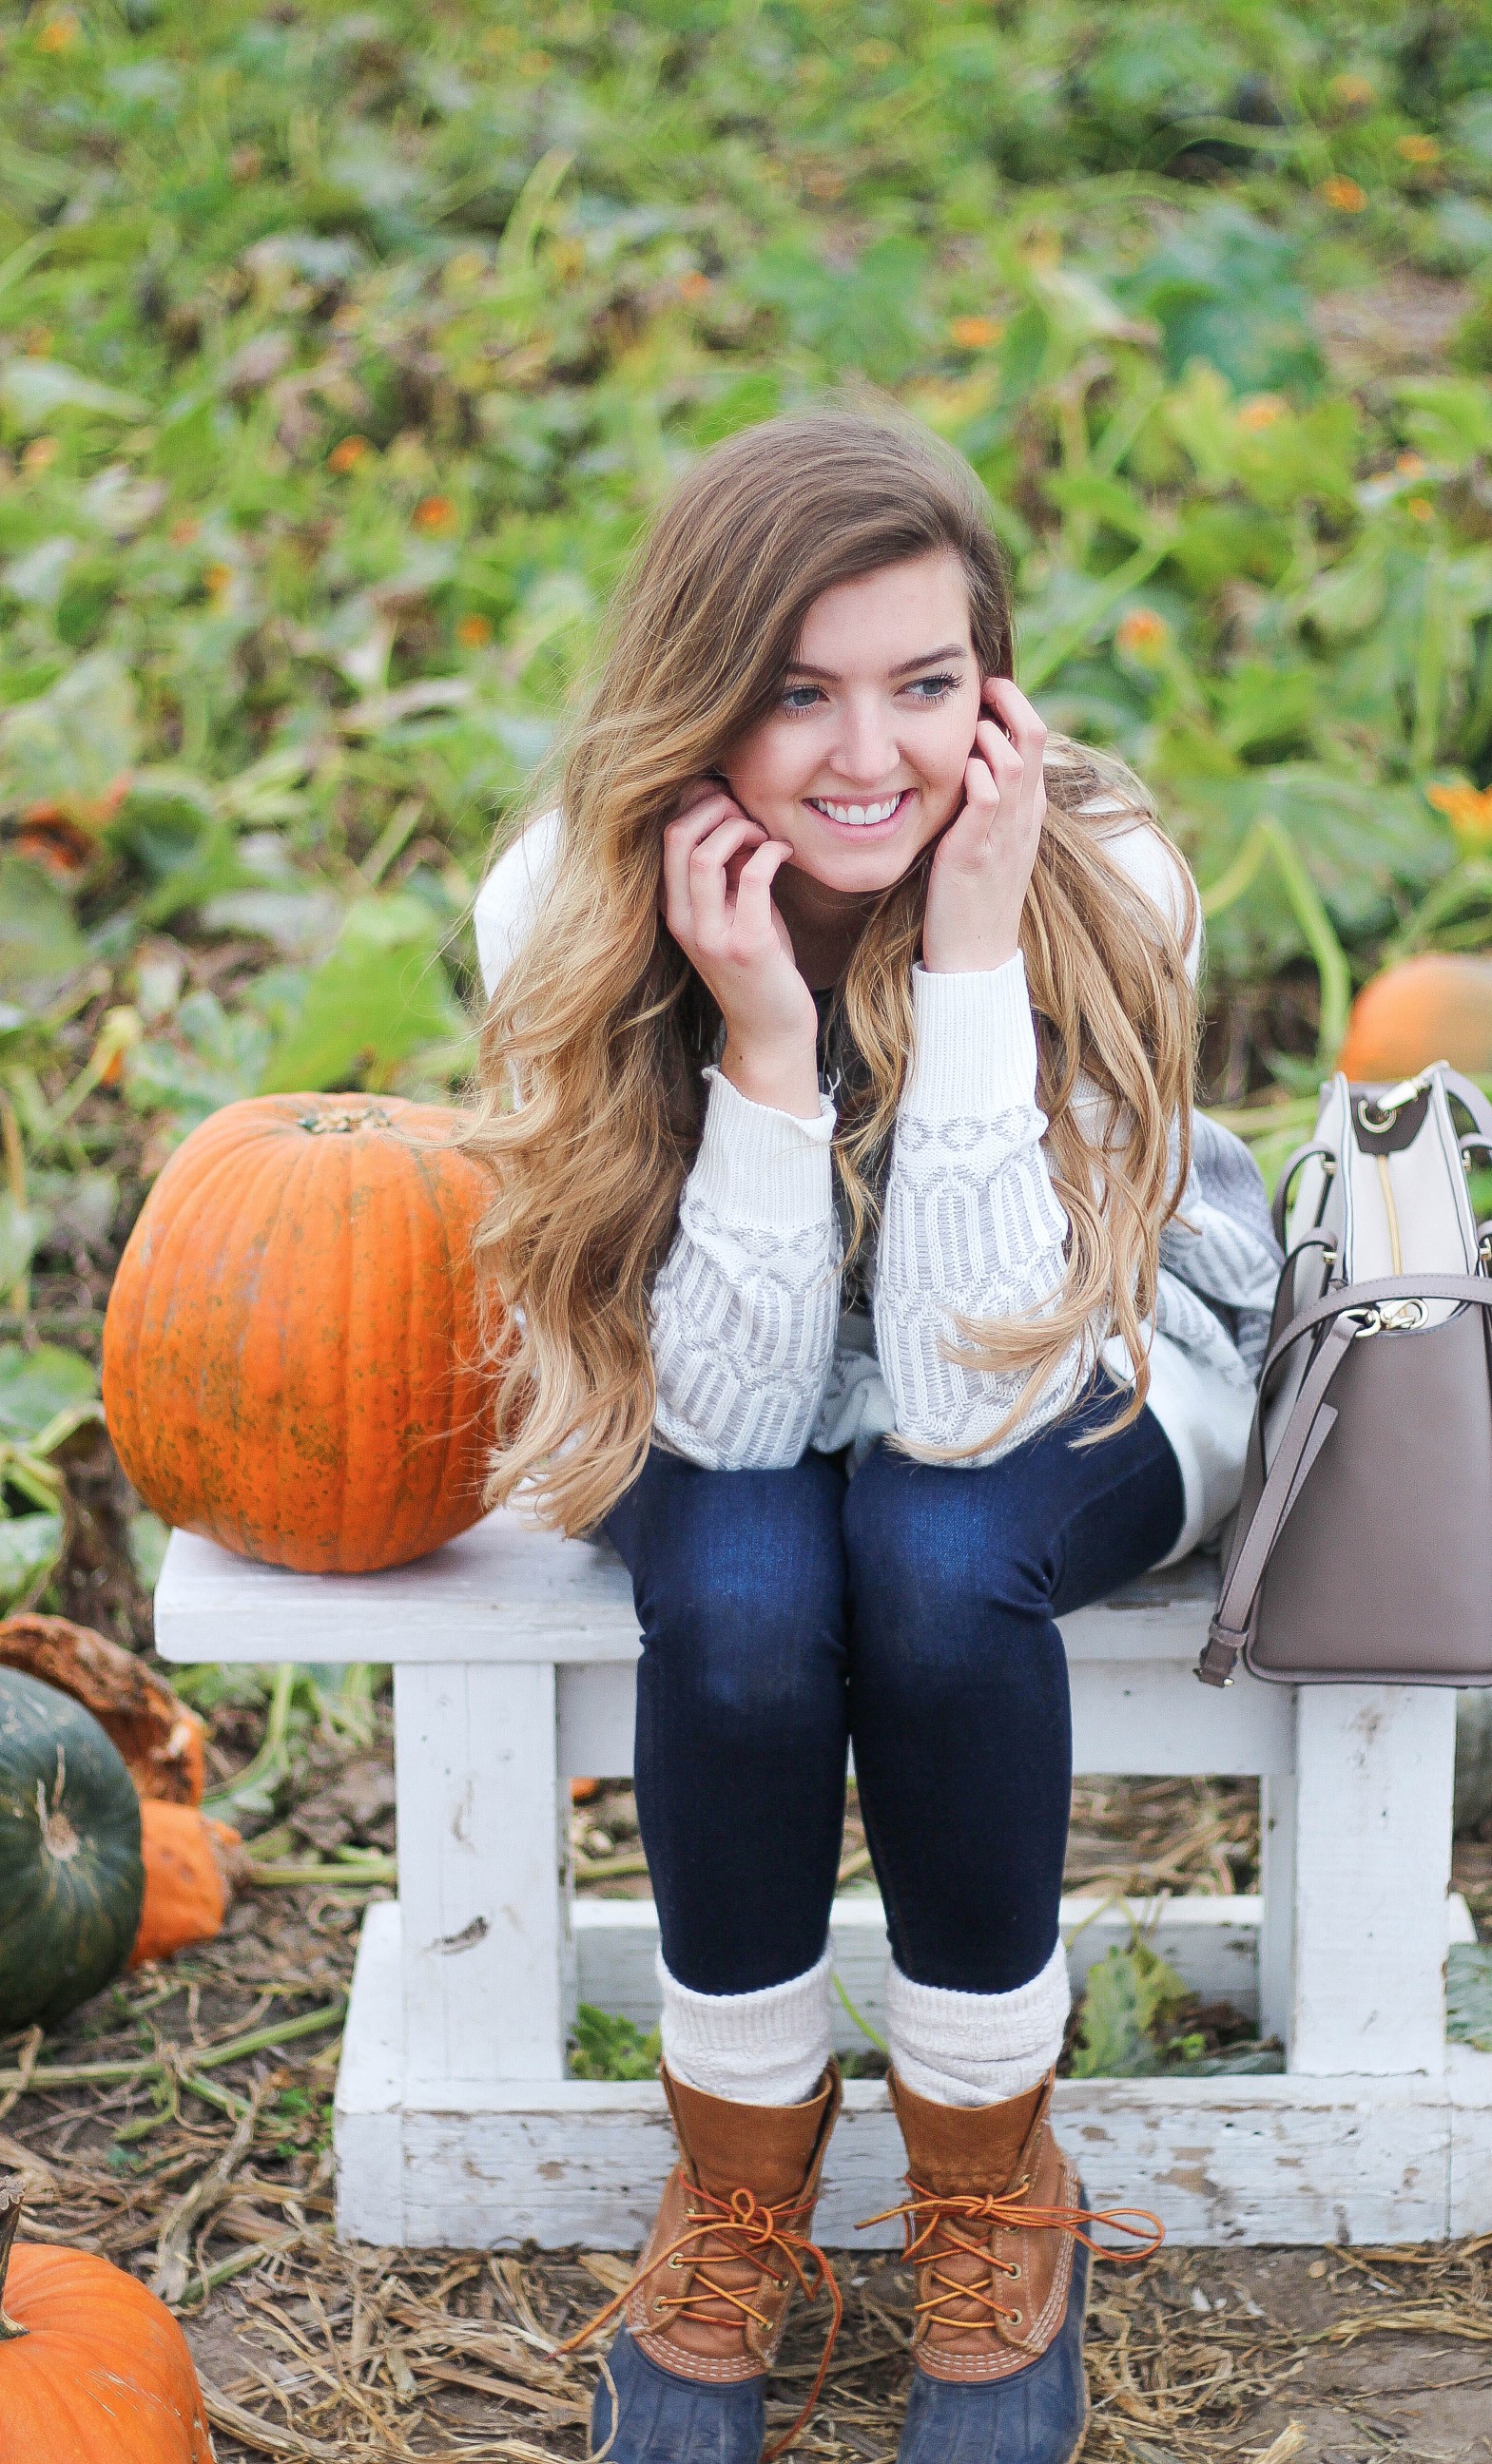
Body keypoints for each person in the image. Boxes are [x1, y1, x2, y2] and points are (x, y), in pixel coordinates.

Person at [469, 410, 1280, 2464]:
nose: (869, 755)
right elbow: (734, 1425)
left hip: (1082, 1343)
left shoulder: (1104, 875)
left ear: (990, 685)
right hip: (715, 1363)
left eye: (925, 685)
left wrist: (982, 947)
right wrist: (757, 1035)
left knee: (931, 1552)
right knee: (741, 1585)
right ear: (700, 695)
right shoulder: (566, 896)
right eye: (800, 691)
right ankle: (738, 2188)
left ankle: (994, 2185)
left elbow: (967, 1395)